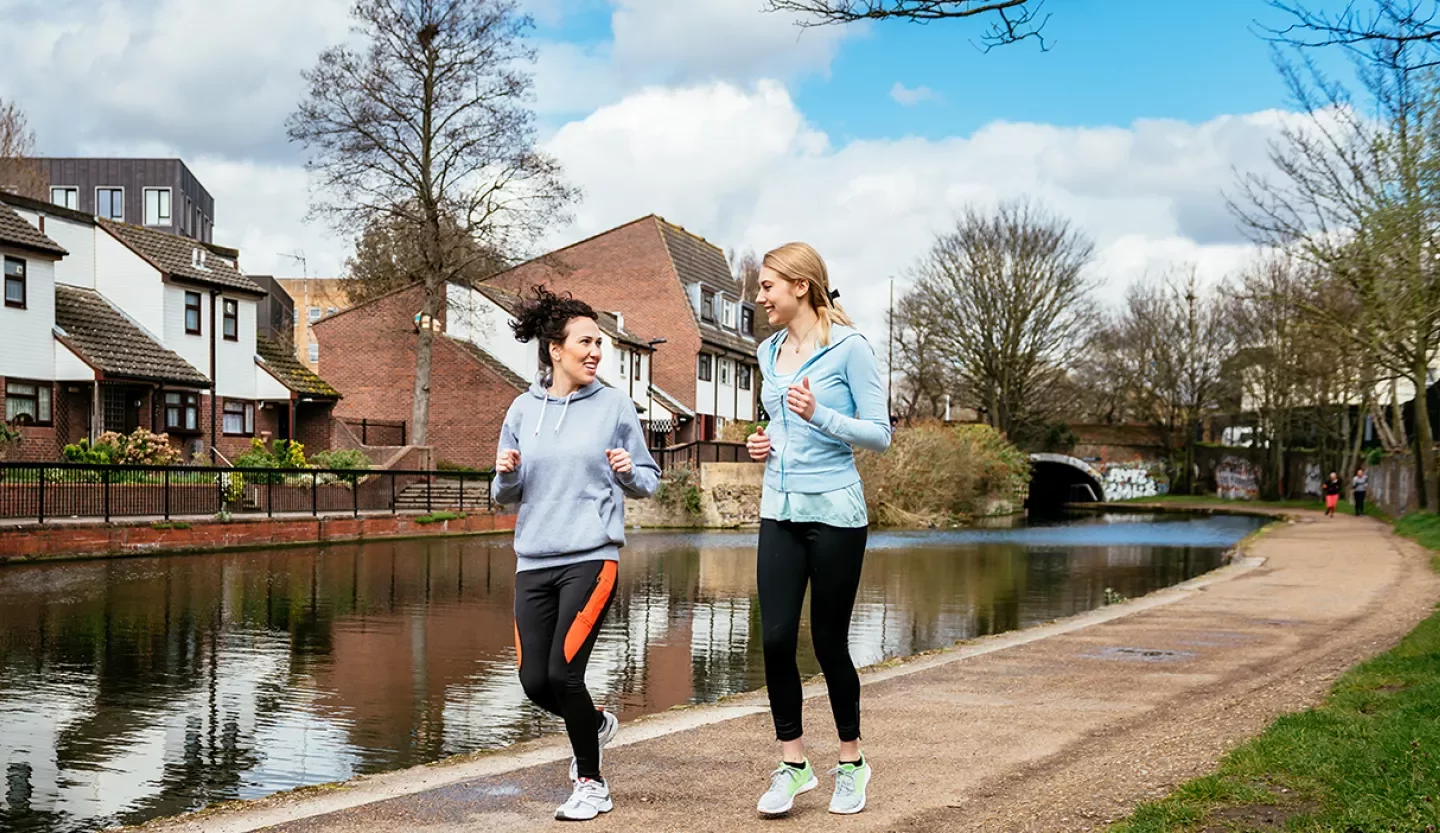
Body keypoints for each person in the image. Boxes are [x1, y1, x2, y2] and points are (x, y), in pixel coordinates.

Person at [491, 285, 660, 821]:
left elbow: (649, 480)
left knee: (564, 673)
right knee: (533, 682)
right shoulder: (523, 409)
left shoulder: (614, 406)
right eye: (585, 342)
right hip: (533, 561)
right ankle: (596, 723)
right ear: (555, 350)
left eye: (598, 343)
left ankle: (592, 784)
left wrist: (628, 471)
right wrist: (506, 473)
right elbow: (502, 494)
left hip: (591, 557)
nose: (595, 352)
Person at [745, 242, 892, 817]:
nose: (760, 297)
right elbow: (779, 424)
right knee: (776, 639)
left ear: (800, 286)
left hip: (834, 514)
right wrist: (763, 443)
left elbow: (879, 434)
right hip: (778, 511)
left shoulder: (850, 348)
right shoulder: (767, 352)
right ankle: (794, 765)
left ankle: (851, 764)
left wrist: (820, 415)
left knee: (829, 643)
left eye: (767, 286)